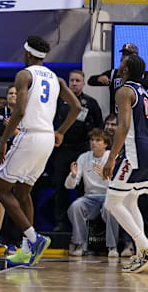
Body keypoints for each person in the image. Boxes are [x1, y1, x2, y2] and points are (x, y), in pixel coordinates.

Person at [0, 35, 81, 267]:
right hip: (47, 138)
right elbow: (77, 107)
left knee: (0, 190)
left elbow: (20, 110)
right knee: (23, 193)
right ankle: (27, 250)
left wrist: (3, 140)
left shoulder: (24, 74)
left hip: (29, 135)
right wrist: (60, 131)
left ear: (29, 54)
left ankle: (34, 238)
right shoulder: (56, 78)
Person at [100, 54, 148, 273]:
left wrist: (111, 158)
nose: (119, 67)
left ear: (125, 71)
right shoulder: (144, 91)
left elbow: (124, 126)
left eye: (121, 64)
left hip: (134, 151)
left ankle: (146, 247)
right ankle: (142, 254)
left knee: (112, 202)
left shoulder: (124, 91)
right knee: (129, 201)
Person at [52, 70, 104, 231]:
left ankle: (84, 223)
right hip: (62, 149)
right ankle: (61, 222)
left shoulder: (90, 103)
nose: (74, 83)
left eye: (77, 80)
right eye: (72, 80)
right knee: (61, 186)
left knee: (82, 186)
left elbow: (99, 127)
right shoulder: (59, 101)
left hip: (82, 150)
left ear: (83, 83)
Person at [65, 129, 120, 257]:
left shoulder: (111, 157)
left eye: (98, 140)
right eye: (92, 140)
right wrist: (73, 176)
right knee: (75, 207)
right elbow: (69, 186)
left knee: (110, 209)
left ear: (105, 144)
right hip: (90, 197)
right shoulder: (83, 157)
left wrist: (105, 176)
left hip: (109, 195)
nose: (93, 143)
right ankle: (80, 243)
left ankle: (112, 247)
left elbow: (117, 184)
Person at [88, 43, 148, 114]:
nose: (125, 57)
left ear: (136, 56)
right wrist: (99, 78)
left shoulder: (144, 74)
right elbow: (90, 81)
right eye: (123, 54)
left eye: (128, 54)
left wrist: (129, 77)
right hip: (116, 116)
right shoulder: (114, 73)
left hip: (136, 116)